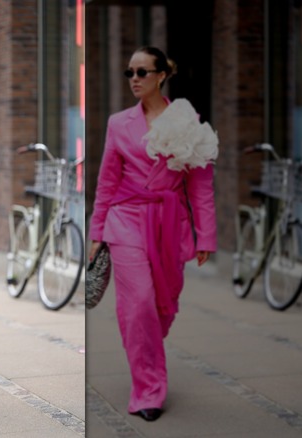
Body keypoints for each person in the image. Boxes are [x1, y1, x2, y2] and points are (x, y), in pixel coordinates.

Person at [88, 46, 216, 422]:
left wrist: (205, 235)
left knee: (161, 305)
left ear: (162, 75)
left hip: (170, 223)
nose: (135, 79)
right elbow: (107, 181)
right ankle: (148, 390)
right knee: (139, 303)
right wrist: (97, 230)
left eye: (142, 72)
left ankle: (145, 355)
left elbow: (201, 187)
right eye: (129, 73)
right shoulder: (118, 123)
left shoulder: (188, 121)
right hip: (125, 219)